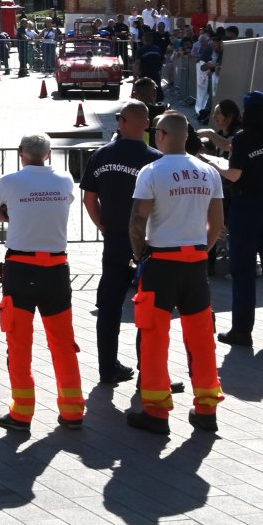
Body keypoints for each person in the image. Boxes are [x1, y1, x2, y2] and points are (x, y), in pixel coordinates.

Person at [126, 112, 226, 435]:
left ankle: (157, 413)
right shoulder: (209, 173)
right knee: (201, 338)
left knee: (155, 337)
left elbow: (137, 221)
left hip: (161, 265)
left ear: (162, 136)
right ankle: (206, 409)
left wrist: (138, 254)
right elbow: (218, 224)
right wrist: (201, 251)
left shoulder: (151, 172)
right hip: (195, 264)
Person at [0, 134, 85, 432]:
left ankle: (22, 413)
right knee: (63, 342)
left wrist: (15, 213)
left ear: (21, 154)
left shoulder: (9, 181)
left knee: (19, 343)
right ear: (49, 153)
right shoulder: (65, 179)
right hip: (56, 268)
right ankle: (72, 411)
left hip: (21, 268)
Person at [81, 101, 160, 385]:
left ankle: (107, 367)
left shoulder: (101, 156)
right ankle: (147, 371)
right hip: (147, 245)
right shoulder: (155, 160)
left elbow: (89, 198)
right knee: (148, 308)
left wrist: (103, 225)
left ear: (123, 122)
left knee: (110, 306)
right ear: (147, 125)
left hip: (114, 241)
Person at [216, 93, 263, 347]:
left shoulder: (243, 138)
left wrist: (214, 166)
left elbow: (235, 175)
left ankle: (242, 330)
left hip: (246, 206)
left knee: (243, 270)